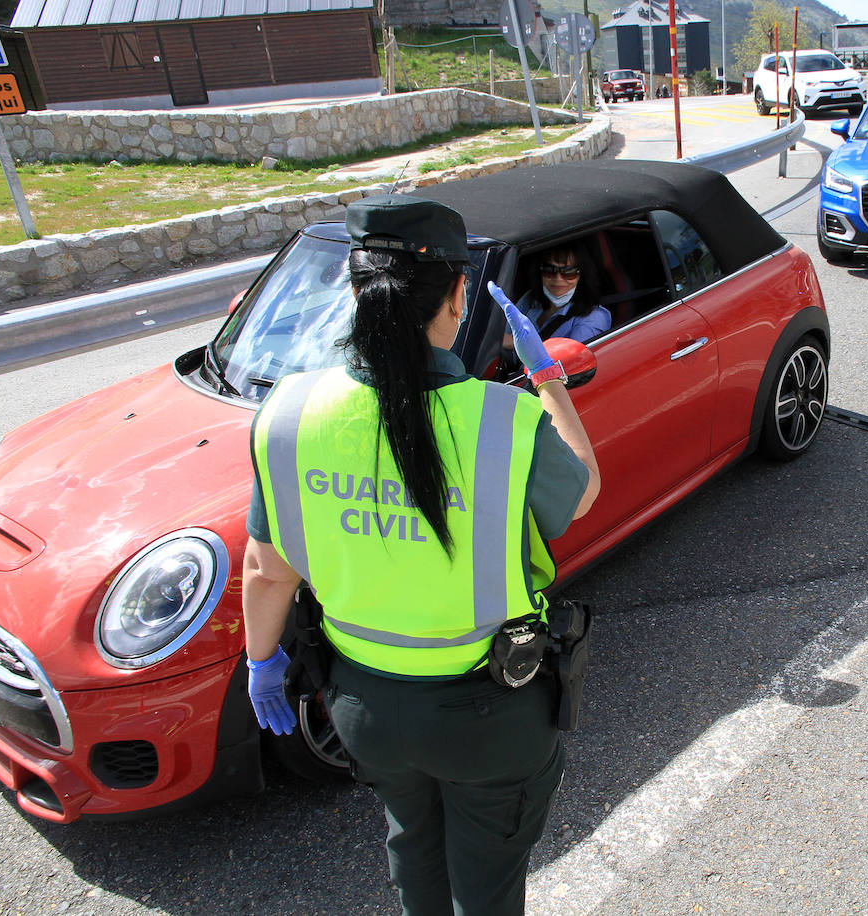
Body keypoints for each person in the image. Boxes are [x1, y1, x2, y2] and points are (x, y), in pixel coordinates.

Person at [242, 193, 601, 916]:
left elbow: (265, 569)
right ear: (459, 296)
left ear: (355, 292)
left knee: (411, 845)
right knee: (488, 884)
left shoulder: (286, 414)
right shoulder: (504, 421)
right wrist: (549, 381)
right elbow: (584, 490)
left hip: (364, 711)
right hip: (489, 717)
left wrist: (261, 663)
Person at [514, 242, 612, 344]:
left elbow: (574, 358)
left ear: (581, 276)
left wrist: (517, 343)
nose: (558, 279)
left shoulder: (594, 316)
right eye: (549, 270)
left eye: (569, 272)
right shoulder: (529, 300)